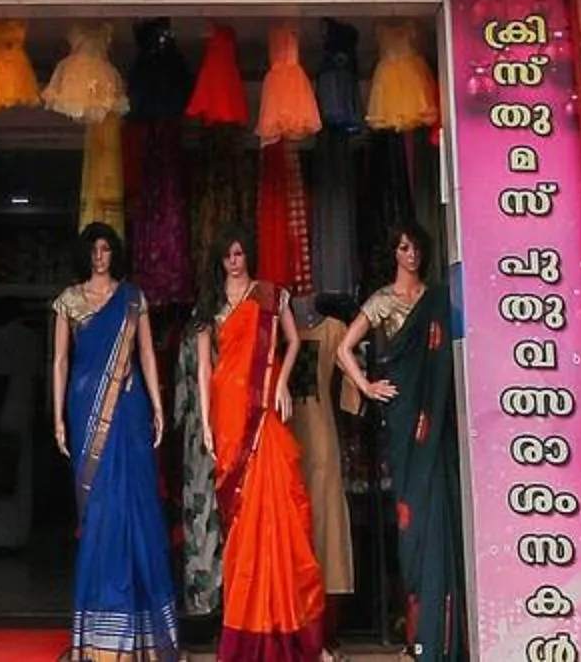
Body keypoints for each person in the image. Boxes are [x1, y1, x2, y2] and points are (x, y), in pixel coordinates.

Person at [196, 224, 330, 662]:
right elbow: (204, 371)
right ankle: (244, 622)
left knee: (277, 513)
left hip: (262, 413)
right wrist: (206, 424)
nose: (236, 261)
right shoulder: (212, 307)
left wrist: (281, 382)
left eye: (241, 253)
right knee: (239, 525)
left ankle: (280, 622)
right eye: (229, 255)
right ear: (220, 260)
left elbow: (292, 342)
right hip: (228, 415)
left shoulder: (270, 297)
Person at [50, 222, 179, 662]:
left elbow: (145, 353)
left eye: (106, 249)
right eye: (94, 249)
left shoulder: (132, 298)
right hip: (87, 411)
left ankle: (140, 636)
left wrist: (159, 406)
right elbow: (61, 362)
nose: (100, 256)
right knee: (100, 511)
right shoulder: (69, 301)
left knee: (137, 508)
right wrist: (57, 418)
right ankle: (100, 639)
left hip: (129, 408)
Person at [335, 223, 462, 662]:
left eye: (416, 249)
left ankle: (441, 637)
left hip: (439, 415)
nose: (411, 255)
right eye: (403, 248)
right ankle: (417, 634)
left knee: (439, 509)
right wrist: (368, 387)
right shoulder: (383, 300)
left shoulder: (439, 299)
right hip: (407, 414)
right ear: (394, 252)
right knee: (412, 521)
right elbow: (343, 349)